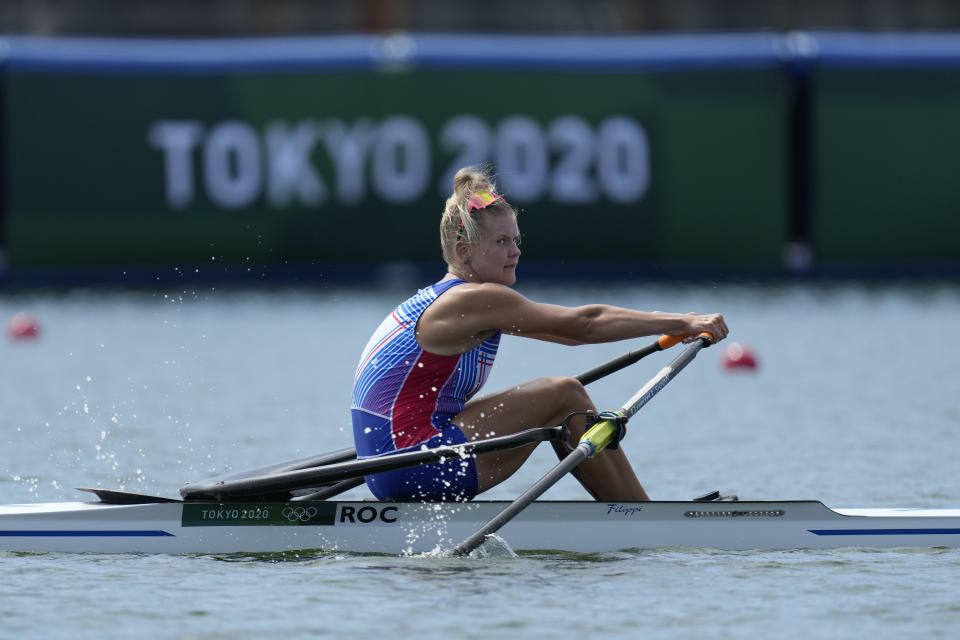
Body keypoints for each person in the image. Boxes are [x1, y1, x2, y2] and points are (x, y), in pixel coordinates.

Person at [351, 166, 728, 503]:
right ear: (464, 251)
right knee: (565, 395)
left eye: (516, 240)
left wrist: (670, 323)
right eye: (501, 242)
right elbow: (583, 325)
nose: (515, 252)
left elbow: (566, 334)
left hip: (392, 466)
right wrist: (681, 322)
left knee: (557, 398)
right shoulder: (474, 300)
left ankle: (628, 510)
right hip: (412, 464)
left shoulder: (442, 300)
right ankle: (640, 516)